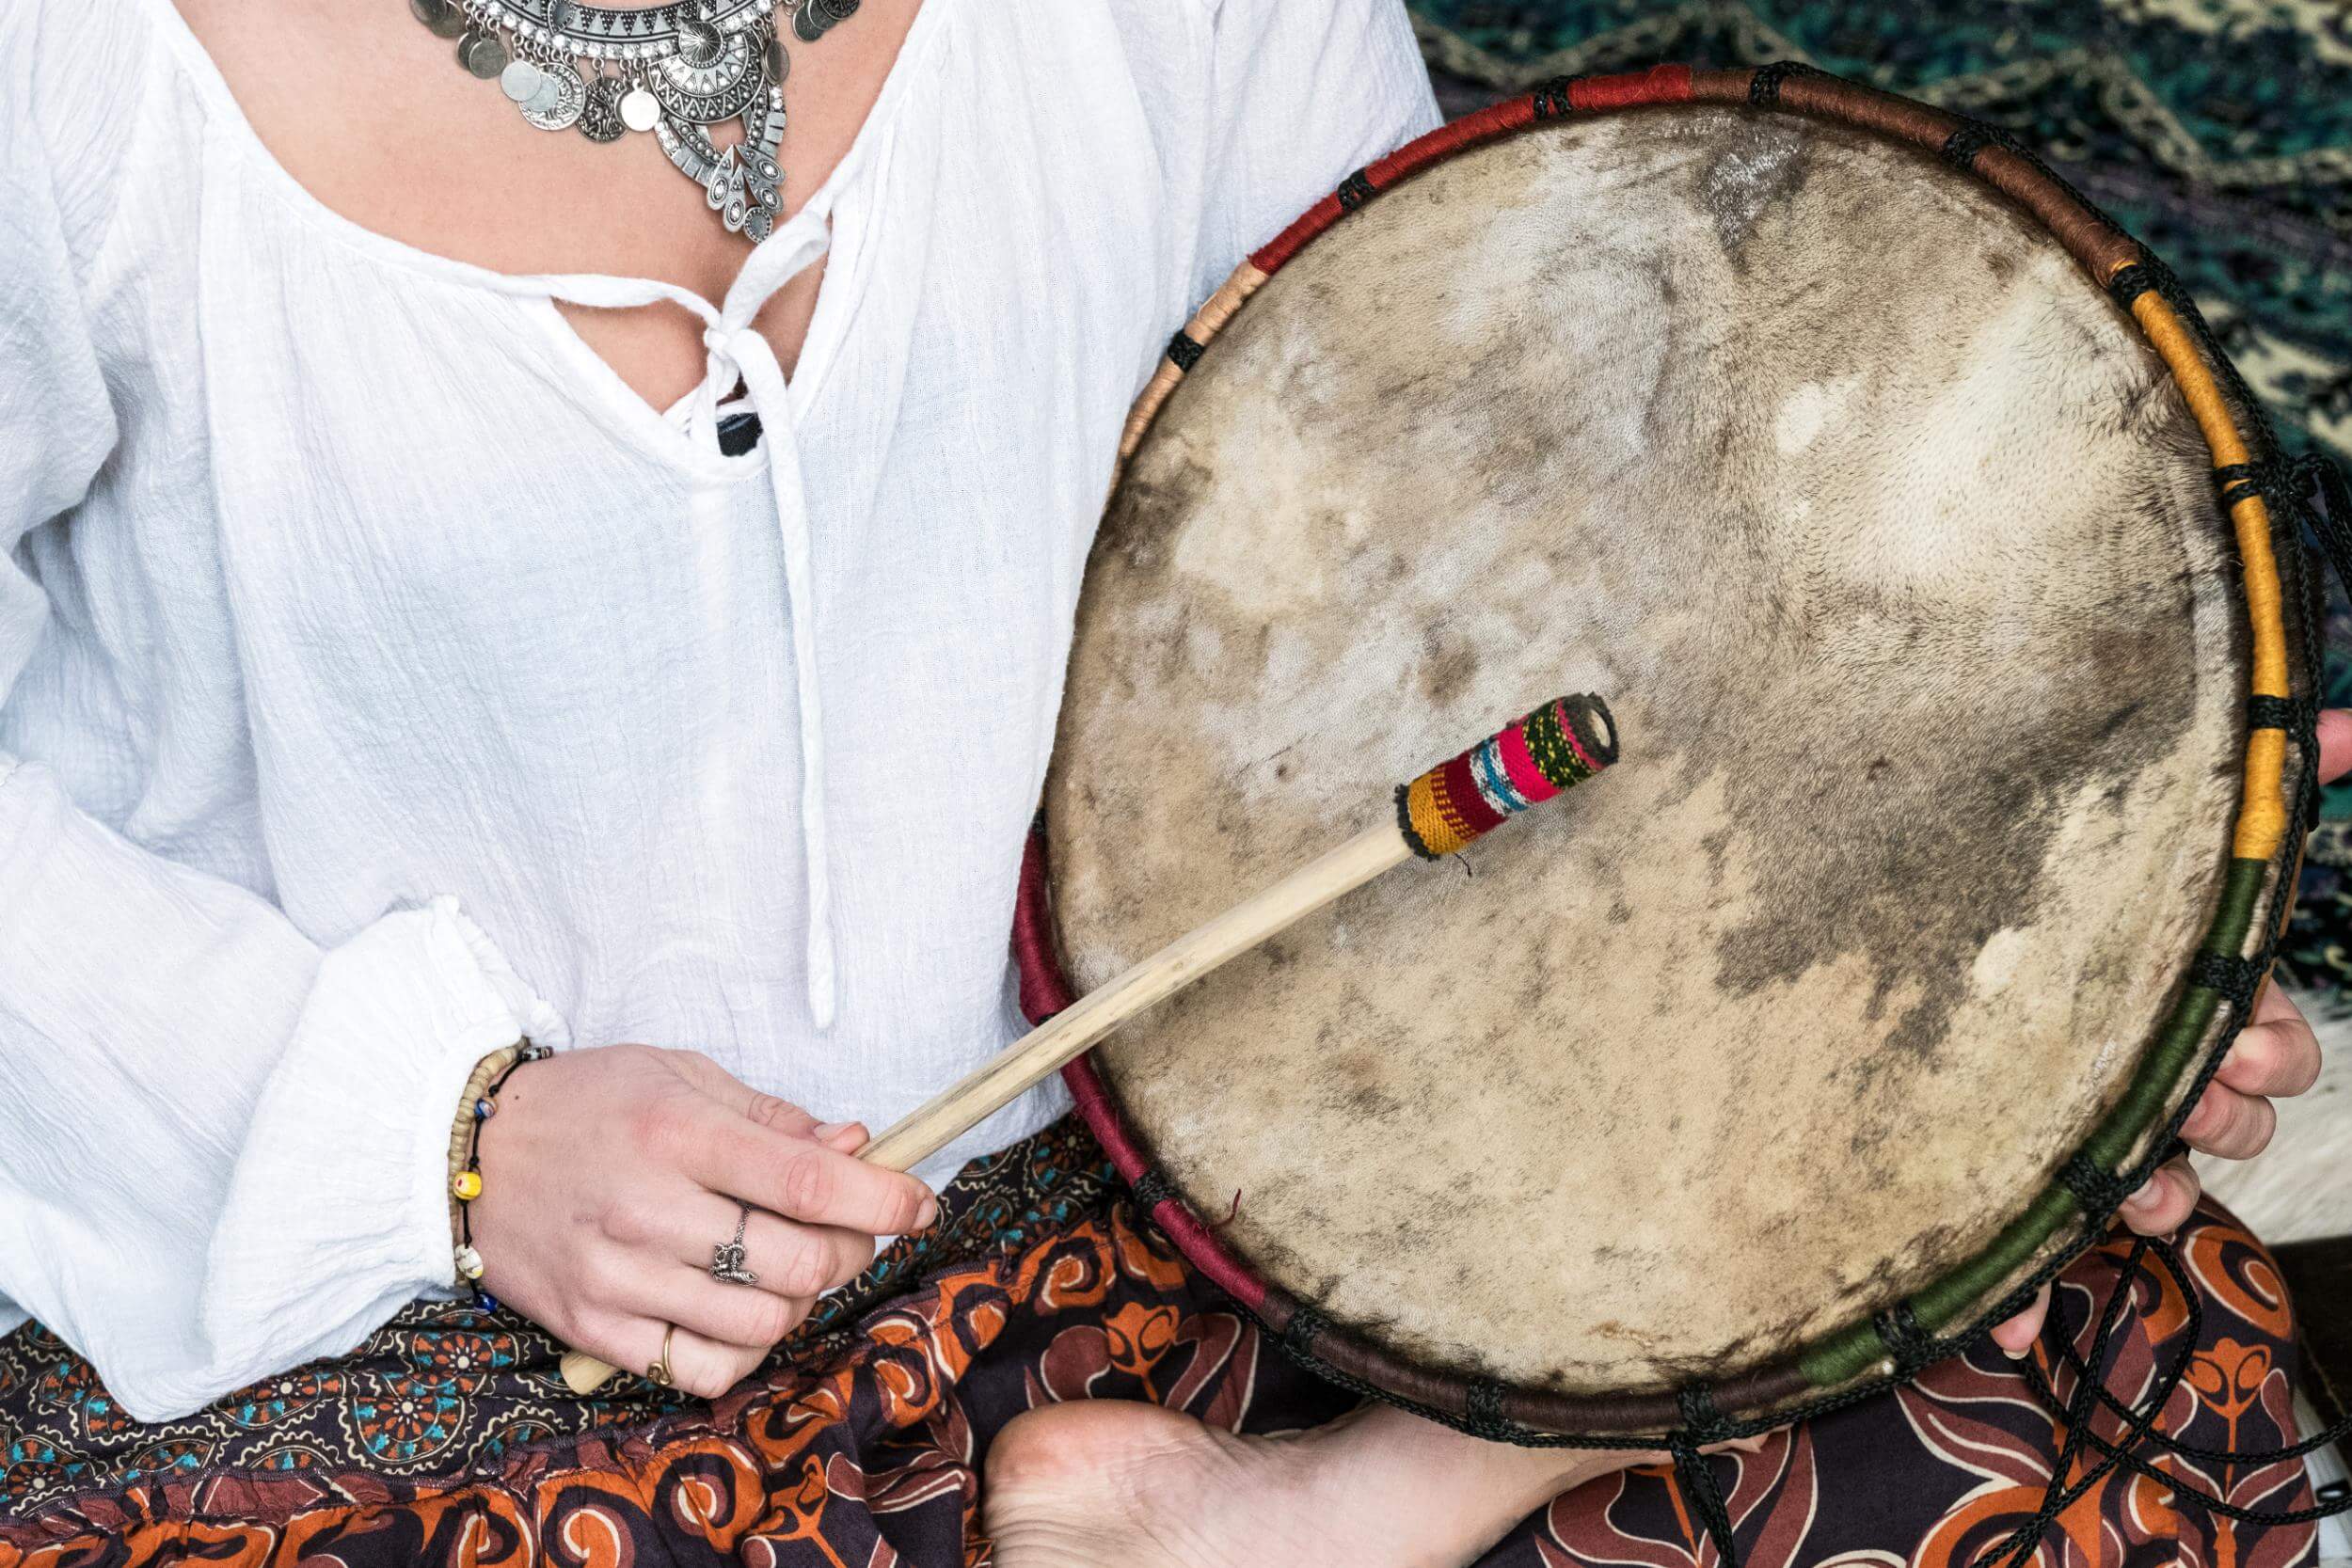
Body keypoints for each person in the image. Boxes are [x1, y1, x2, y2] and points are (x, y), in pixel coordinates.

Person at [0, 0, 2328, 1560]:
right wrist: (450, 1135)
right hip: (406, 1331)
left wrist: (1979, 955)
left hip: (1165, 1191)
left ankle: (1347, 1501)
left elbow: (1464, 551)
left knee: (2050, 1338)